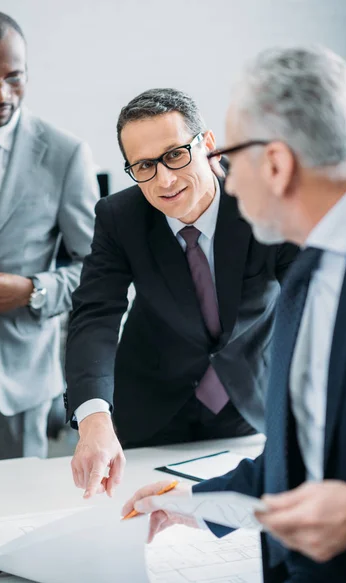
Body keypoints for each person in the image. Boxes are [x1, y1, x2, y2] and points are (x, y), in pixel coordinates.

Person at [123, 46, 346, 583]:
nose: (224, 181)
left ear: (276, 164)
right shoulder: (309, 270)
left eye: (228, 155)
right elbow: (304, 455)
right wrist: (194, 502)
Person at [65, 87, 298, 498]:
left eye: (175, 154)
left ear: (208, 145)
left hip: (248, 399)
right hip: (149, 405)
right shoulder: (120, 217)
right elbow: (95, 314)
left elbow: (310, 301)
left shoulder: (264, 201)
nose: (164, 180)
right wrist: (94, 418)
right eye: (144, 166)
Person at [0, 9, 98, 462]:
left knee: (12, 512)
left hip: (21, 373)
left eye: (15, 77)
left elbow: (97, 269)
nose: (2, 94)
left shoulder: (65, 153)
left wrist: (31, 290)